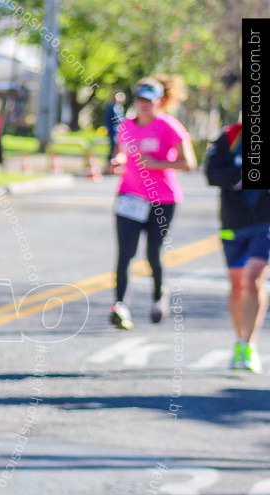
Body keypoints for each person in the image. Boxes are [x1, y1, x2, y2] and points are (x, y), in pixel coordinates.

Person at [106, 76, 196, 330]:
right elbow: (119, 154)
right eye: (140, 100)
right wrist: (117, 163)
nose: (144, 105)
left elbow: (188, 163)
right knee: (125, 254)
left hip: (162, 200)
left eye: (149, 100)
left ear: (159, 101)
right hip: (129, 198)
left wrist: (157, 164)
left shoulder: (169, 126)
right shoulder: (126, 126)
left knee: (152, 253)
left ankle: (158, 297)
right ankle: (120, 305)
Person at [204, 118, 270, 373]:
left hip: (263, 221)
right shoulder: (230, 137)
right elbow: (211, 173)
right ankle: (238, 338)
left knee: (254, 280)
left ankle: (248, 344)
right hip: (233, 221)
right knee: (237, 284)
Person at [103, 92, 125, 165]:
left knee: (115, 148)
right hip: (114, 131)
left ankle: (113, 163)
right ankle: (111, 164)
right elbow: (118, 119)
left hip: (115, 131)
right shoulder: (113, 108)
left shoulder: (117, 107)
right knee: (114, 148)